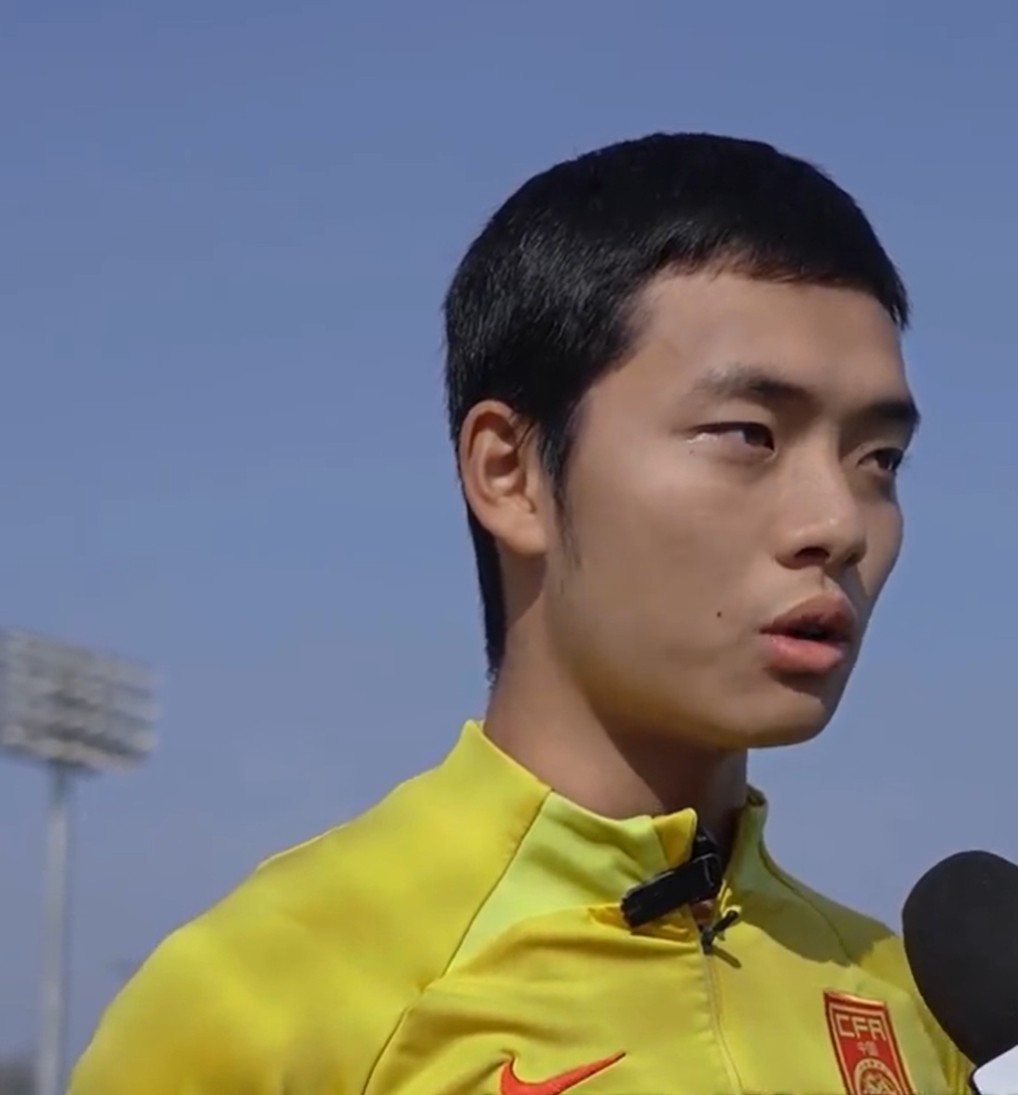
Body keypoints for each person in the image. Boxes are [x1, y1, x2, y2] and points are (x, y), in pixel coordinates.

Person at [70, 132, 970, 1095]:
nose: (838, 523)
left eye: (878, 460)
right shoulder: (264, 1001)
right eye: (747, 434)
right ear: (510, 474)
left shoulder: (919, 1012)